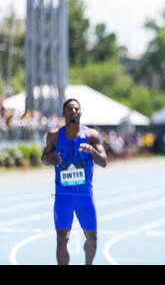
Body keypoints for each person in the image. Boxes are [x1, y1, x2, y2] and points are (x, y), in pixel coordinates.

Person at [41, 98, 107, 265]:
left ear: (81, 112)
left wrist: (92, 150)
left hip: (85, 196)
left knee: (92, 238)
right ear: (64, 113)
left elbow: (104, 162)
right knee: (61, 238)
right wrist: (49, 157)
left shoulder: (92, 136)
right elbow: (43, 159)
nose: (74, 111)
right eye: (70, 109)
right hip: (63, 196)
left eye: (76, 109)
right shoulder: (54, 136)